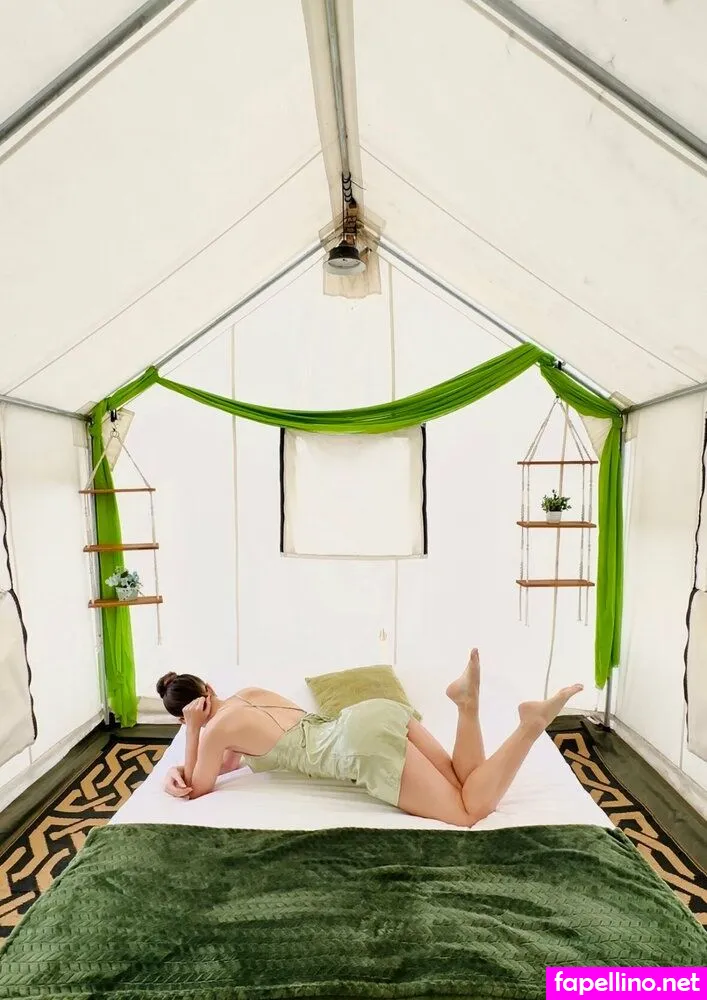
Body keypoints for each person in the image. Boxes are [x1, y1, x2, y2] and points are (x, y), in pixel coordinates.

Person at [157, 650, 582, 827]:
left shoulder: (214, 731)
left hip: (359, 747)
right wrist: (184, 762)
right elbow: (231, 761)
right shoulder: (247, 695)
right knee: (461, 780)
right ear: (208, 688)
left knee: (468, 812)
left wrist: (192, 733)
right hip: (369, 714)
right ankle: (466, 705)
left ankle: (528, 728)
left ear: (185, 714)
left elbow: (199, 787)